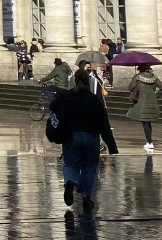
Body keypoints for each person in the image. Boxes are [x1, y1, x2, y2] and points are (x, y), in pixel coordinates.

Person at [48, 69, 119, 212]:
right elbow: (104, 123)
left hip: (71, 136)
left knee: (71, 164)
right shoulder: (94, 100)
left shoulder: (66, 96)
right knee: (89, 167)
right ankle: (87, 197)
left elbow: (52, 107)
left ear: (74, 80)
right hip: (91, 137)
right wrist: (111, 145)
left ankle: (70, 182)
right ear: (88, 82)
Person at [125, 64, 162, 151]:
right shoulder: (154, 78)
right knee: (147, 122)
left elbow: (130, 88)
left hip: (142, 102)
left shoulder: (137, 77)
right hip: (152, 102)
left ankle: (149, 142)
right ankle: (149, 141)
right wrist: (155, 96)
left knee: (145, 122)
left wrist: (134, 79)